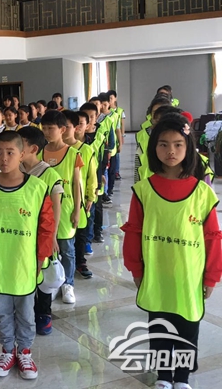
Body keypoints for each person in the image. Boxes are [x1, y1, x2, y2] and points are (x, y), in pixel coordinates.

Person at [122, 114, 221, 389]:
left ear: (189, 147)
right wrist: (136, 269)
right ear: (154, 147)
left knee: (188, 327)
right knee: (159, 326)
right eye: (163, 144)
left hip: (190, 275)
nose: (171, 151)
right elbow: (134, 232)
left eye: (178, 144)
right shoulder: (144, 190)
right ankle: (164, 376)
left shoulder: (202, 192)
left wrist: (211, 276)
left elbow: (212, 237)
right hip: (157, 273)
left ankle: (183, 377)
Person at [0, 131, 55, 380]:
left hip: (23, 263)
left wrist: (40, 259)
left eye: (10, 152)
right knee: (1, 312)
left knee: (26, 313)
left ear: (22, 154)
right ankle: (7, 350)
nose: (4, 158)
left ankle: (24, 351)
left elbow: (46, 227)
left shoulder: (37, 188)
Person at [18, 126, 63, 336]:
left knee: (43, 274)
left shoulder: (49, 174)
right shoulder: (15, 171)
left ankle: (44, 313)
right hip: (22, 233)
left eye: (20, 145)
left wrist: (52, 236)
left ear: (33, 148)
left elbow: (56, 208)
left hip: (43, 233)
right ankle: (25, 312)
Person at [39, 110, 83, 305]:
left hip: (65, 210)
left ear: (62, 129)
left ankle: (68, 284)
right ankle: (54, 281)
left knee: (67, 248)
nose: (47, 132)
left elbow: (76, 184)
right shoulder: (39, 153)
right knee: (49, 247)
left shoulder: (73, 154)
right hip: (45, 211)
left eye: (51, 128)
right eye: (44, 128)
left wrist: (77, 210)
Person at [62, 111, 97, 279]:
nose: (63, 130)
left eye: (66, 127)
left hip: (80, 199)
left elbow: (92, 175)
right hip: (62, 199)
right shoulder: (54, 149)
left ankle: (80, 262)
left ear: (75, 128)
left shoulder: (85, 150)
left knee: (81, 231)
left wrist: (91, 196)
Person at [74, 111, 98, 257]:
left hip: (85, 192)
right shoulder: (63, 147)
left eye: (81, 124)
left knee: (87, 218)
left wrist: (91, 195)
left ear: (87, 126)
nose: (77, 127)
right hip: (69, 193)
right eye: (75, 124)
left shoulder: (88, 147)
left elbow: (92, 174)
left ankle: (86, 243)